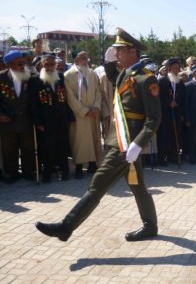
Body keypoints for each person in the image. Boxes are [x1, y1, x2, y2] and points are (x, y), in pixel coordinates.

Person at [35, 27, 161, 241]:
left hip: (126, 145)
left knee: (97, 185)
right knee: (137, 186)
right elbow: (112, 76)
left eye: (120, 50)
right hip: (120, 140)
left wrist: (138, 144)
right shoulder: (125, 74)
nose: (116, 54)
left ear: (132, 52)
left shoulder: (145, 79)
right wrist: (109, 60)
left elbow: (154, 118)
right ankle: (150, 226)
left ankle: (66, 227)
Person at [29, 53, 73, 182]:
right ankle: (47, 174)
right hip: (45, 121)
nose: (49, 67)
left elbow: (65, 99)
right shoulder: (35, 80)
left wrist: (68, 116)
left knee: (62, 146)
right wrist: (38, 122)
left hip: (61, 119)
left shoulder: (60, 77)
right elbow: (33, 104)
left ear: (55, 65)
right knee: (47, 148)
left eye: (52, 64)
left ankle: (64, 172)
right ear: (42, 64)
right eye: (46, 64)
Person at [64, 51, 102, 179]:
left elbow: (98, 92)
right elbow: (70, 97)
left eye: (87, 58)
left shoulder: (92, 74)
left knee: (93, 139)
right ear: (76, 60)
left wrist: (96, 107)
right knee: (79, 141)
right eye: (83, 58)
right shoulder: (68, 75)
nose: (86, 61)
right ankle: (79, 167)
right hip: (79, 115)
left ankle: (92, 165)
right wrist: (84, 110)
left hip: (93, 114)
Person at [0, 50, 35, 183]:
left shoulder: (30, 77)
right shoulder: (1, 77)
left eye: (23, 62)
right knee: (9, 149)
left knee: (28, 148)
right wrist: (1, 115)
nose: (23, 64)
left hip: (26, 120)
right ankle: (12, 173)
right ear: (10, 64)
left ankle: (27, 172)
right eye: (19, 62)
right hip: (7, 121)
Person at [157, 57, 185, 165]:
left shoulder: (180, 82)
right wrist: (169, 102)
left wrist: (178, 106)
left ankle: (173, 156)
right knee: (164, 136)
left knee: (175, 135)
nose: (177, 69)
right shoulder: (162, 81)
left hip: (176, 113)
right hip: (165, 113)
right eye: (175, 67)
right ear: (169, 68)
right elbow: (159, 97)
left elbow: (182, 97)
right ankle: (162, 157)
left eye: (178, 67)